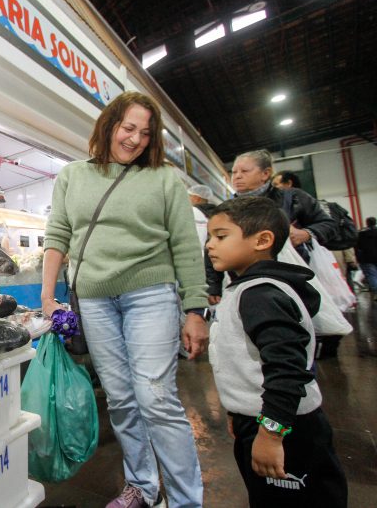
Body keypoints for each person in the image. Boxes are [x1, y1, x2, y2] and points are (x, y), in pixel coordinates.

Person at [42, 91, 209, 508]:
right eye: (128, 127)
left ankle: (188, 500)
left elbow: (187, 246)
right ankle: (142, 486)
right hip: (94, 300)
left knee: (156, 397)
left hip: (150, 295)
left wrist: (195, 309)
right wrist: (48, 295)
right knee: (120, 398)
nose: (135, 139)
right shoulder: (73, 175)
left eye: (146, 133)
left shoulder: (166, 178)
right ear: (109, 125)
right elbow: (58, 235)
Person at [205, 196, 347, 507]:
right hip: (262, 418)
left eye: (221, 236)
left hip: (283, 426)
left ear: (263, 240)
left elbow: (285, 368)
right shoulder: (250, 288)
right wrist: (237, 411)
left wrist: (271, 434)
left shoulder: (261, 295)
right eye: (209, 237)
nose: (209, 246)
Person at [206, 150, 336, 303]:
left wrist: (306, 234)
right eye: (234, 172)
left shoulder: (292, 198)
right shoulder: (226, 209)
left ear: (266, 173)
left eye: (244, 171)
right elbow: (212, 246)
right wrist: (214, 284)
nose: (237, 176)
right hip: (245, 282)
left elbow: (329, 224)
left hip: (294, 279)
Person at [356, 217, 377, 301]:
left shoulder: (362, 234)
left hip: (367, 258)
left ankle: (376, 292)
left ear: (367, 223)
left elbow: (358, 246)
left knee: (372, 275)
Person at [187, 184, 215, 250]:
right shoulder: (214, 214)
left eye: (189, 196)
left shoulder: (193, 212)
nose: (187, 199)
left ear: (197, 199)